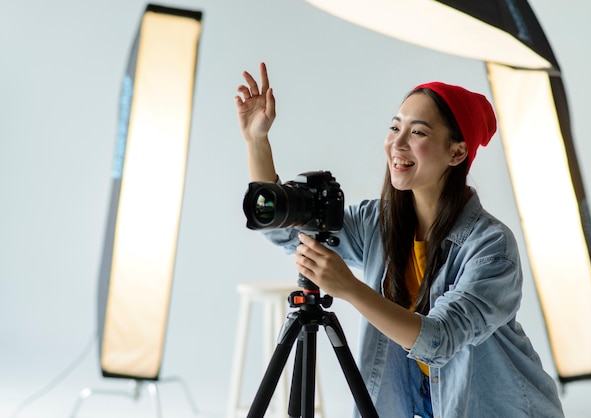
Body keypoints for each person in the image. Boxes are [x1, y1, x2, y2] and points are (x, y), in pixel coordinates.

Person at [234, 62, 565, 418]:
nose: (397, 143)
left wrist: (349, 288)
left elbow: (439, 340)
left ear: (456, 152)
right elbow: (287, 232)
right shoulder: (378, 222)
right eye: (395, 127)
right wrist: (257, 140)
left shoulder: (490, 247)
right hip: (413, 403)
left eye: (418, 133)